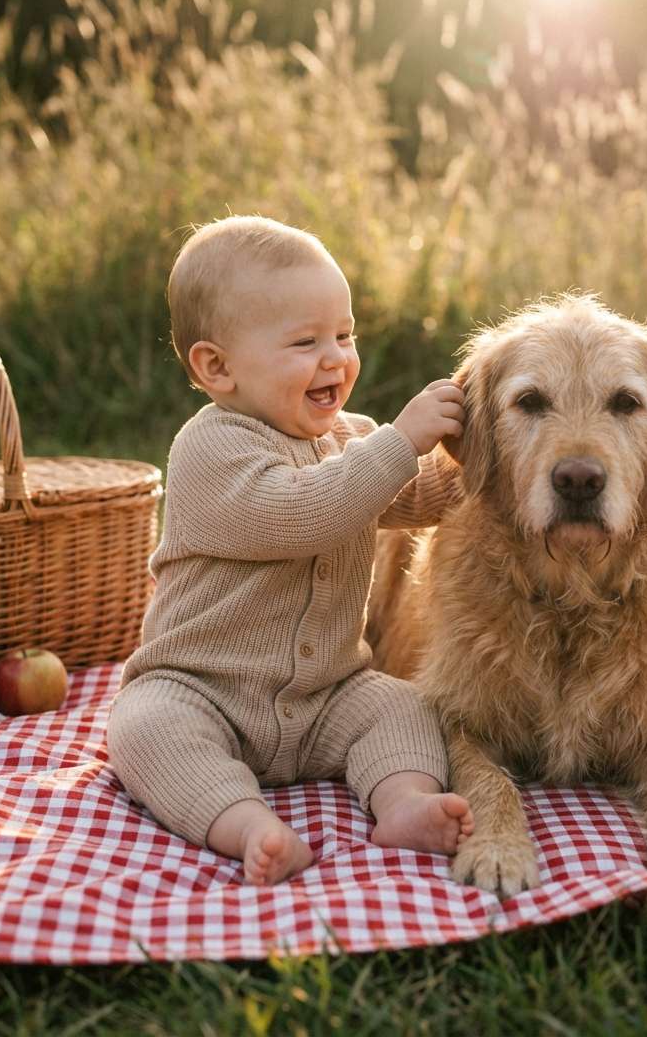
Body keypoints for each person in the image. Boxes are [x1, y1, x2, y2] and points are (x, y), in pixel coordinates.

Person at [107, 215, 474, 886]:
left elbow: (412, 499)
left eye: (345, 334)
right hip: (202, 689)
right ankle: (246, 822)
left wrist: (477, 465)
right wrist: (400, 442)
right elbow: (305, 511)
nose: (335, 358)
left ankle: (404, 803)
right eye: (305, 342)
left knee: (403, 706)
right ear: (217, 367)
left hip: (327, 694)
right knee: (145, 727)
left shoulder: (347, 437)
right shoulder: (211, 449)